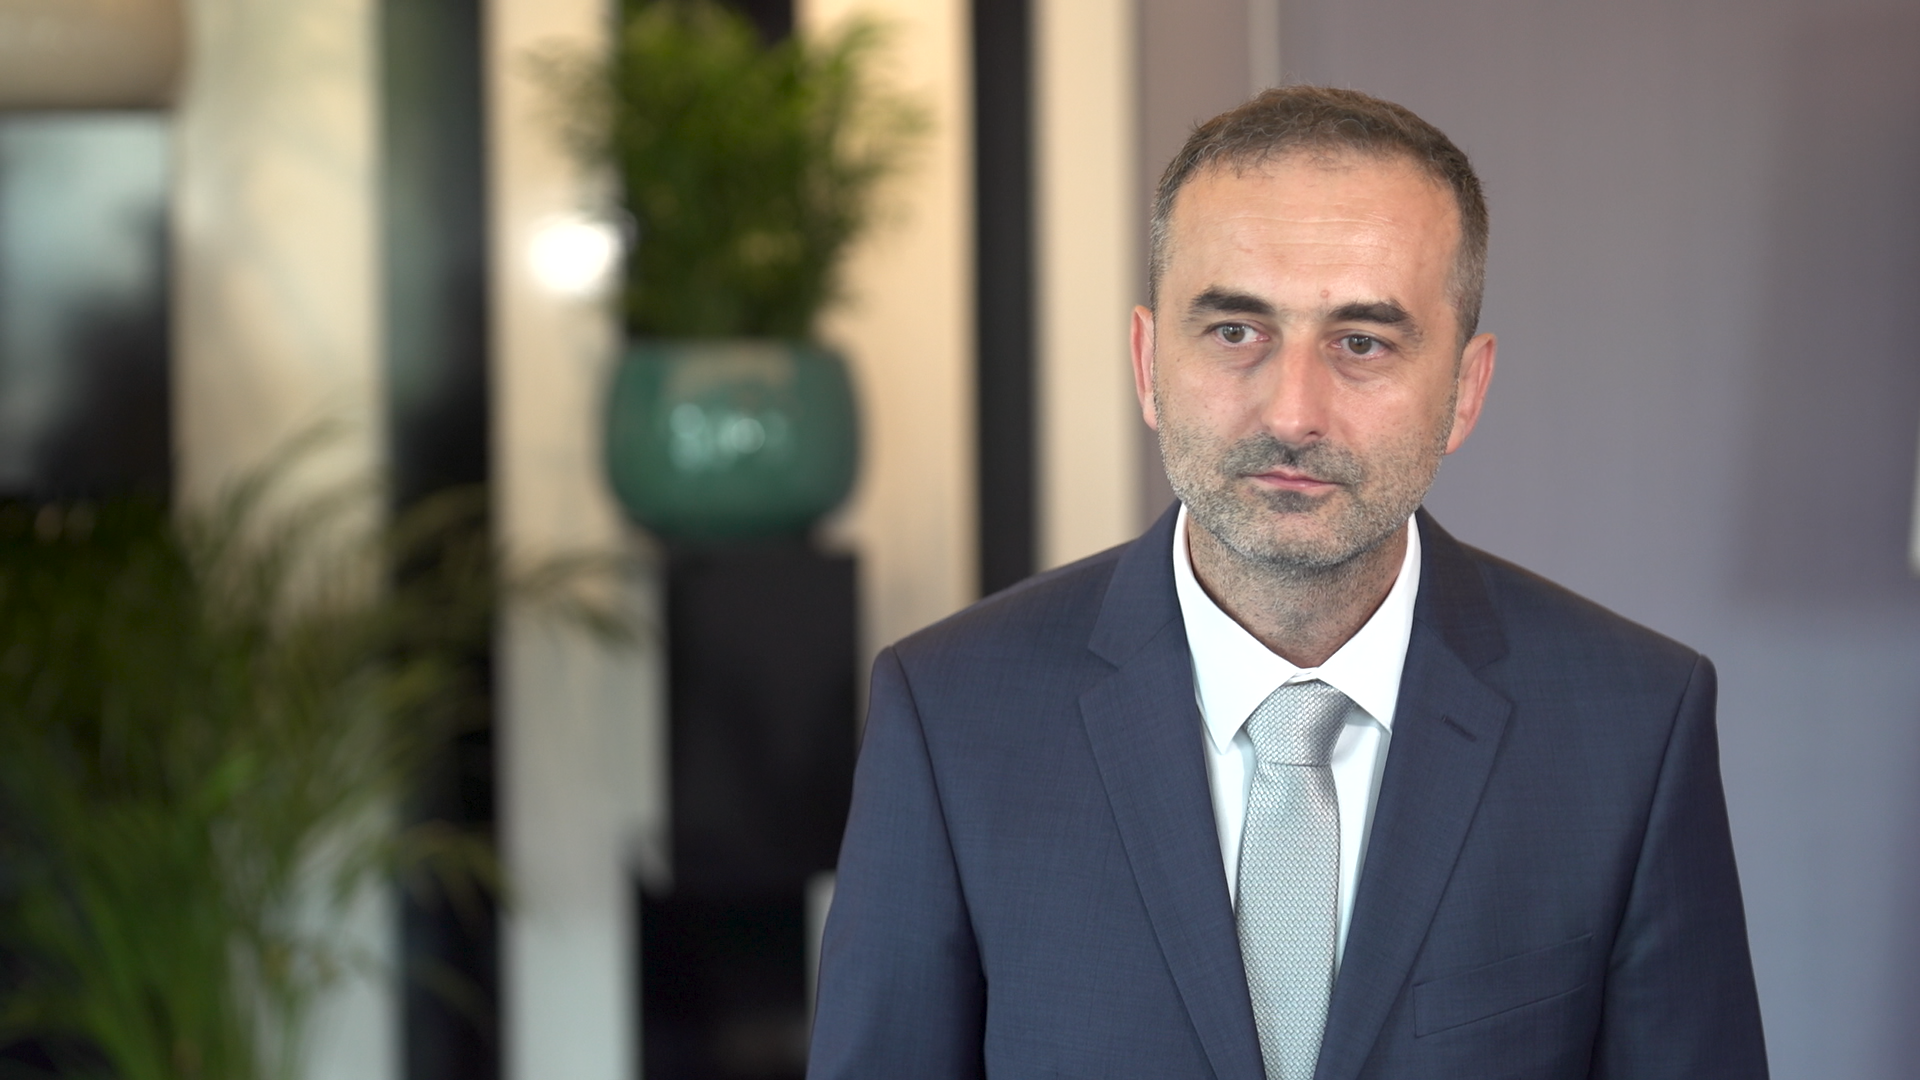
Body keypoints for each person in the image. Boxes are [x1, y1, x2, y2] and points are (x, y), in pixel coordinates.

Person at [807, 86, 1768, 1080]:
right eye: (1236, 330)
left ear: (1464, 390)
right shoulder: (951, 715)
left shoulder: (1634, 728)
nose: (1293, 412)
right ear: (1147, 362)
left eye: (1362, 342)